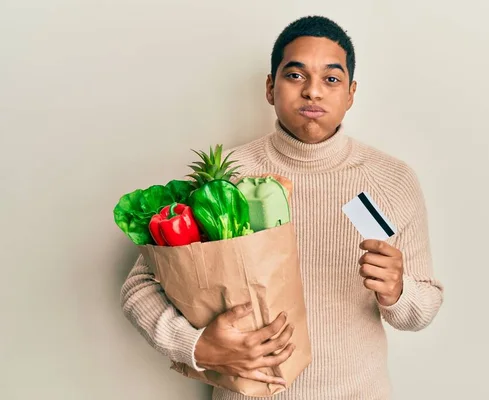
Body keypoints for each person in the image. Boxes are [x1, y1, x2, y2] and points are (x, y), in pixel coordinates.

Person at [120, 15, 444, 400]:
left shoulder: (393, 179)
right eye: (295, 76)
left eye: (331, 79)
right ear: (270, 88)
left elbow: (422, 307)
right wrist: (197, 346)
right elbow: (138, 286)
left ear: (351, 93)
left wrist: (398, 291)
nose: (313, 92)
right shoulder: (224, 180)